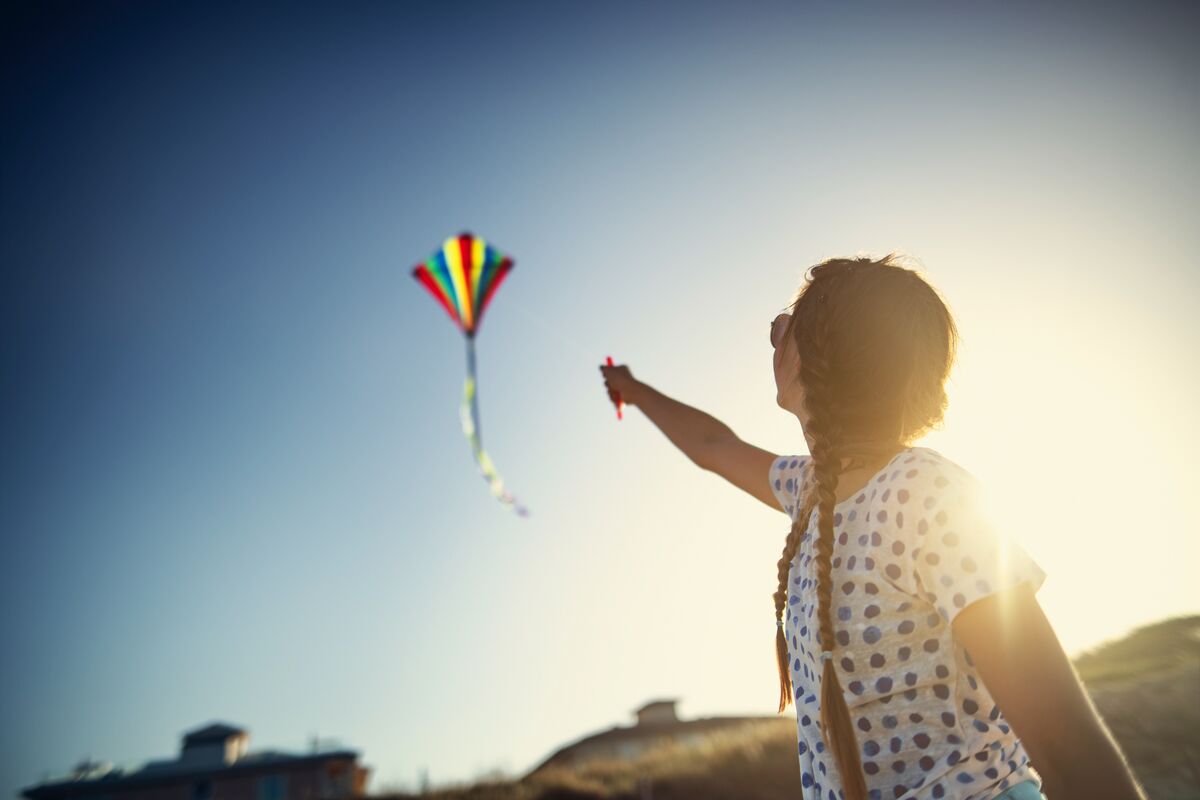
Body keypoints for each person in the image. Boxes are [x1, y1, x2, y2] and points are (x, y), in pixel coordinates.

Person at [598, 254, 1147, 800]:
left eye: (783, 326)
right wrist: (636, 390)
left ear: (817, 359)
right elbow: (715, 447)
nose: (773, 336)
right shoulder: (812, 490)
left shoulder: (928, 495)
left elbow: (1066, 742)